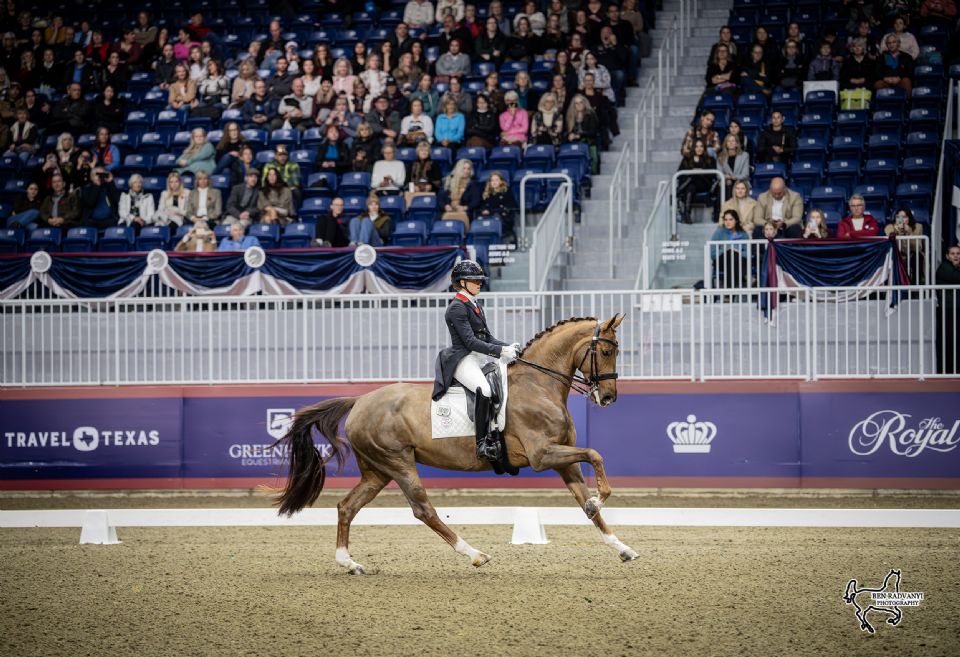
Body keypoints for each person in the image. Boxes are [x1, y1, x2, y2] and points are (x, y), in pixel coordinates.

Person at [431, 259, 519, 464]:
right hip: (463, 358)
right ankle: (481, 443)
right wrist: (500, 351)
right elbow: (470, 342)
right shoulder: (456, 308)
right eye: (474, 280)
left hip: (479, 357)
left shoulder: (474, 305)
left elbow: (487, 337)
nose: (479, 283)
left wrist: (509, 348)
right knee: (484, 390)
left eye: (480, 280)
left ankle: (495, 431)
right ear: (462, 283)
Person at [677, 138, 718, 224]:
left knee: (693, 177)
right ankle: (687, 214)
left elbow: (713, 176)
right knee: (691, 185)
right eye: (696, 146)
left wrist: (701, 172)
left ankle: (679, 192)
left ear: (704, 148)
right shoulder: (687, 159)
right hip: (691, 186)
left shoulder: (710, 159)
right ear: (693, 148)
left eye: (701, 146)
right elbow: (679, 174)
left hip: (704, 184)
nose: (699, 149)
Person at [935, 244, 960, 374]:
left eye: (958, 253)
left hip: (957, 309)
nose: (956, 256)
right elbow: (956, 277)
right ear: (947, 256)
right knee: (950, 340)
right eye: (953, 253)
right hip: (948, 310)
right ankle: (949, 371)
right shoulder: (944, 268)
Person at [884, 206, 925, 282]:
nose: (902, 220)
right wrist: (898, 231)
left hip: (911, 255)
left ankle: (916, 284)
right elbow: (890, 236)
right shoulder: (890, 227)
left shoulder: (918, 227)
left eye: (905, 217)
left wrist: (909, 232)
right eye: (899, 217)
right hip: (897, 254)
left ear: (909, 218)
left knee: (918, 256)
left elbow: (917, 247)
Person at [710, 209, 749, 288]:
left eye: (731, 219)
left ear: (736, 220)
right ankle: (736, 286)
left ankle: (730, 289)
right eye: (726, 220)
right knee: (731, 254)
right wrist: (728, 249)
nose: (728, 222)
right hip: (721, 261)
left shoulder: (743, 234)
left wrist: (738, 251)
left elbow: (748, 253)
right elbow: (713, 254)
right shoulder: (719, 232)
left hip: (740, 261)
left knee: (734, 256)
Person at [441, 158, 483, 228]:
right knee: (447, 216)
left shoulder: (474, 184)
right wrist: (445, 206)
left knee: (459, 217)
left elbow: (476, 201)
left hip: (464, 212)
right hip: (449, 211)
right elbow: (440, 199)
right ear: (458, 169)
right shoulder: (448, 182)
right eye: (464, 168)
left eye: (468, 169)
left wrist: (465, 208)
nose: (466, 171)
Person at [478, 171, 517, 239]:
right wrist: (483, 211)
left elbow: (510, 206)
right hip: (488, 217)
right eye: (492, 180)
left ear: (501, 181)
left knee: (496, 218)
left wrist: (491, 211)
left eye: (496, 180)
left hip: (503, 219)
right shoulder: (486, 194)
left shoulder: (506, 192)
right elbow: (482, 206)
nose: (494, 182)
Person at [717, 133, 749, 199]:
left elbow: (745, 174)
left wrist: (733, 177)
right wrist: (726, 177)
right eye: (728, 141)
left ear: (737, 144)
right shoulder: (720, 157)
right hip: (725, 182)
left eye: (733, 141)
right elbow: (718, 175)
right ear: (726, 144)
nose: (731, 143)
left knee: (732, 183)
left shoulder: (744, 155)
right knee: (728, 183)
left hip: (740, 181)